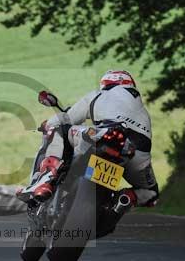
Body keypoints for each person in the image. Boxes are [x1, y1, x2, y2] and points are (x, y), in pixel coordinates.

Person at [17, 70, 159, 208]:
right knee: (151, 193)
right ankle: (122, 201)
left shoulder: (99, 94)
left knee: (57, 130)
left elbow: (68, 118)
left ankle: (46, 180)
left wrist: (48, 124)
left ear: (105, 83)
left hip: (104, 135)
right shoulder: (141, 109)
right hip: (139, 154)